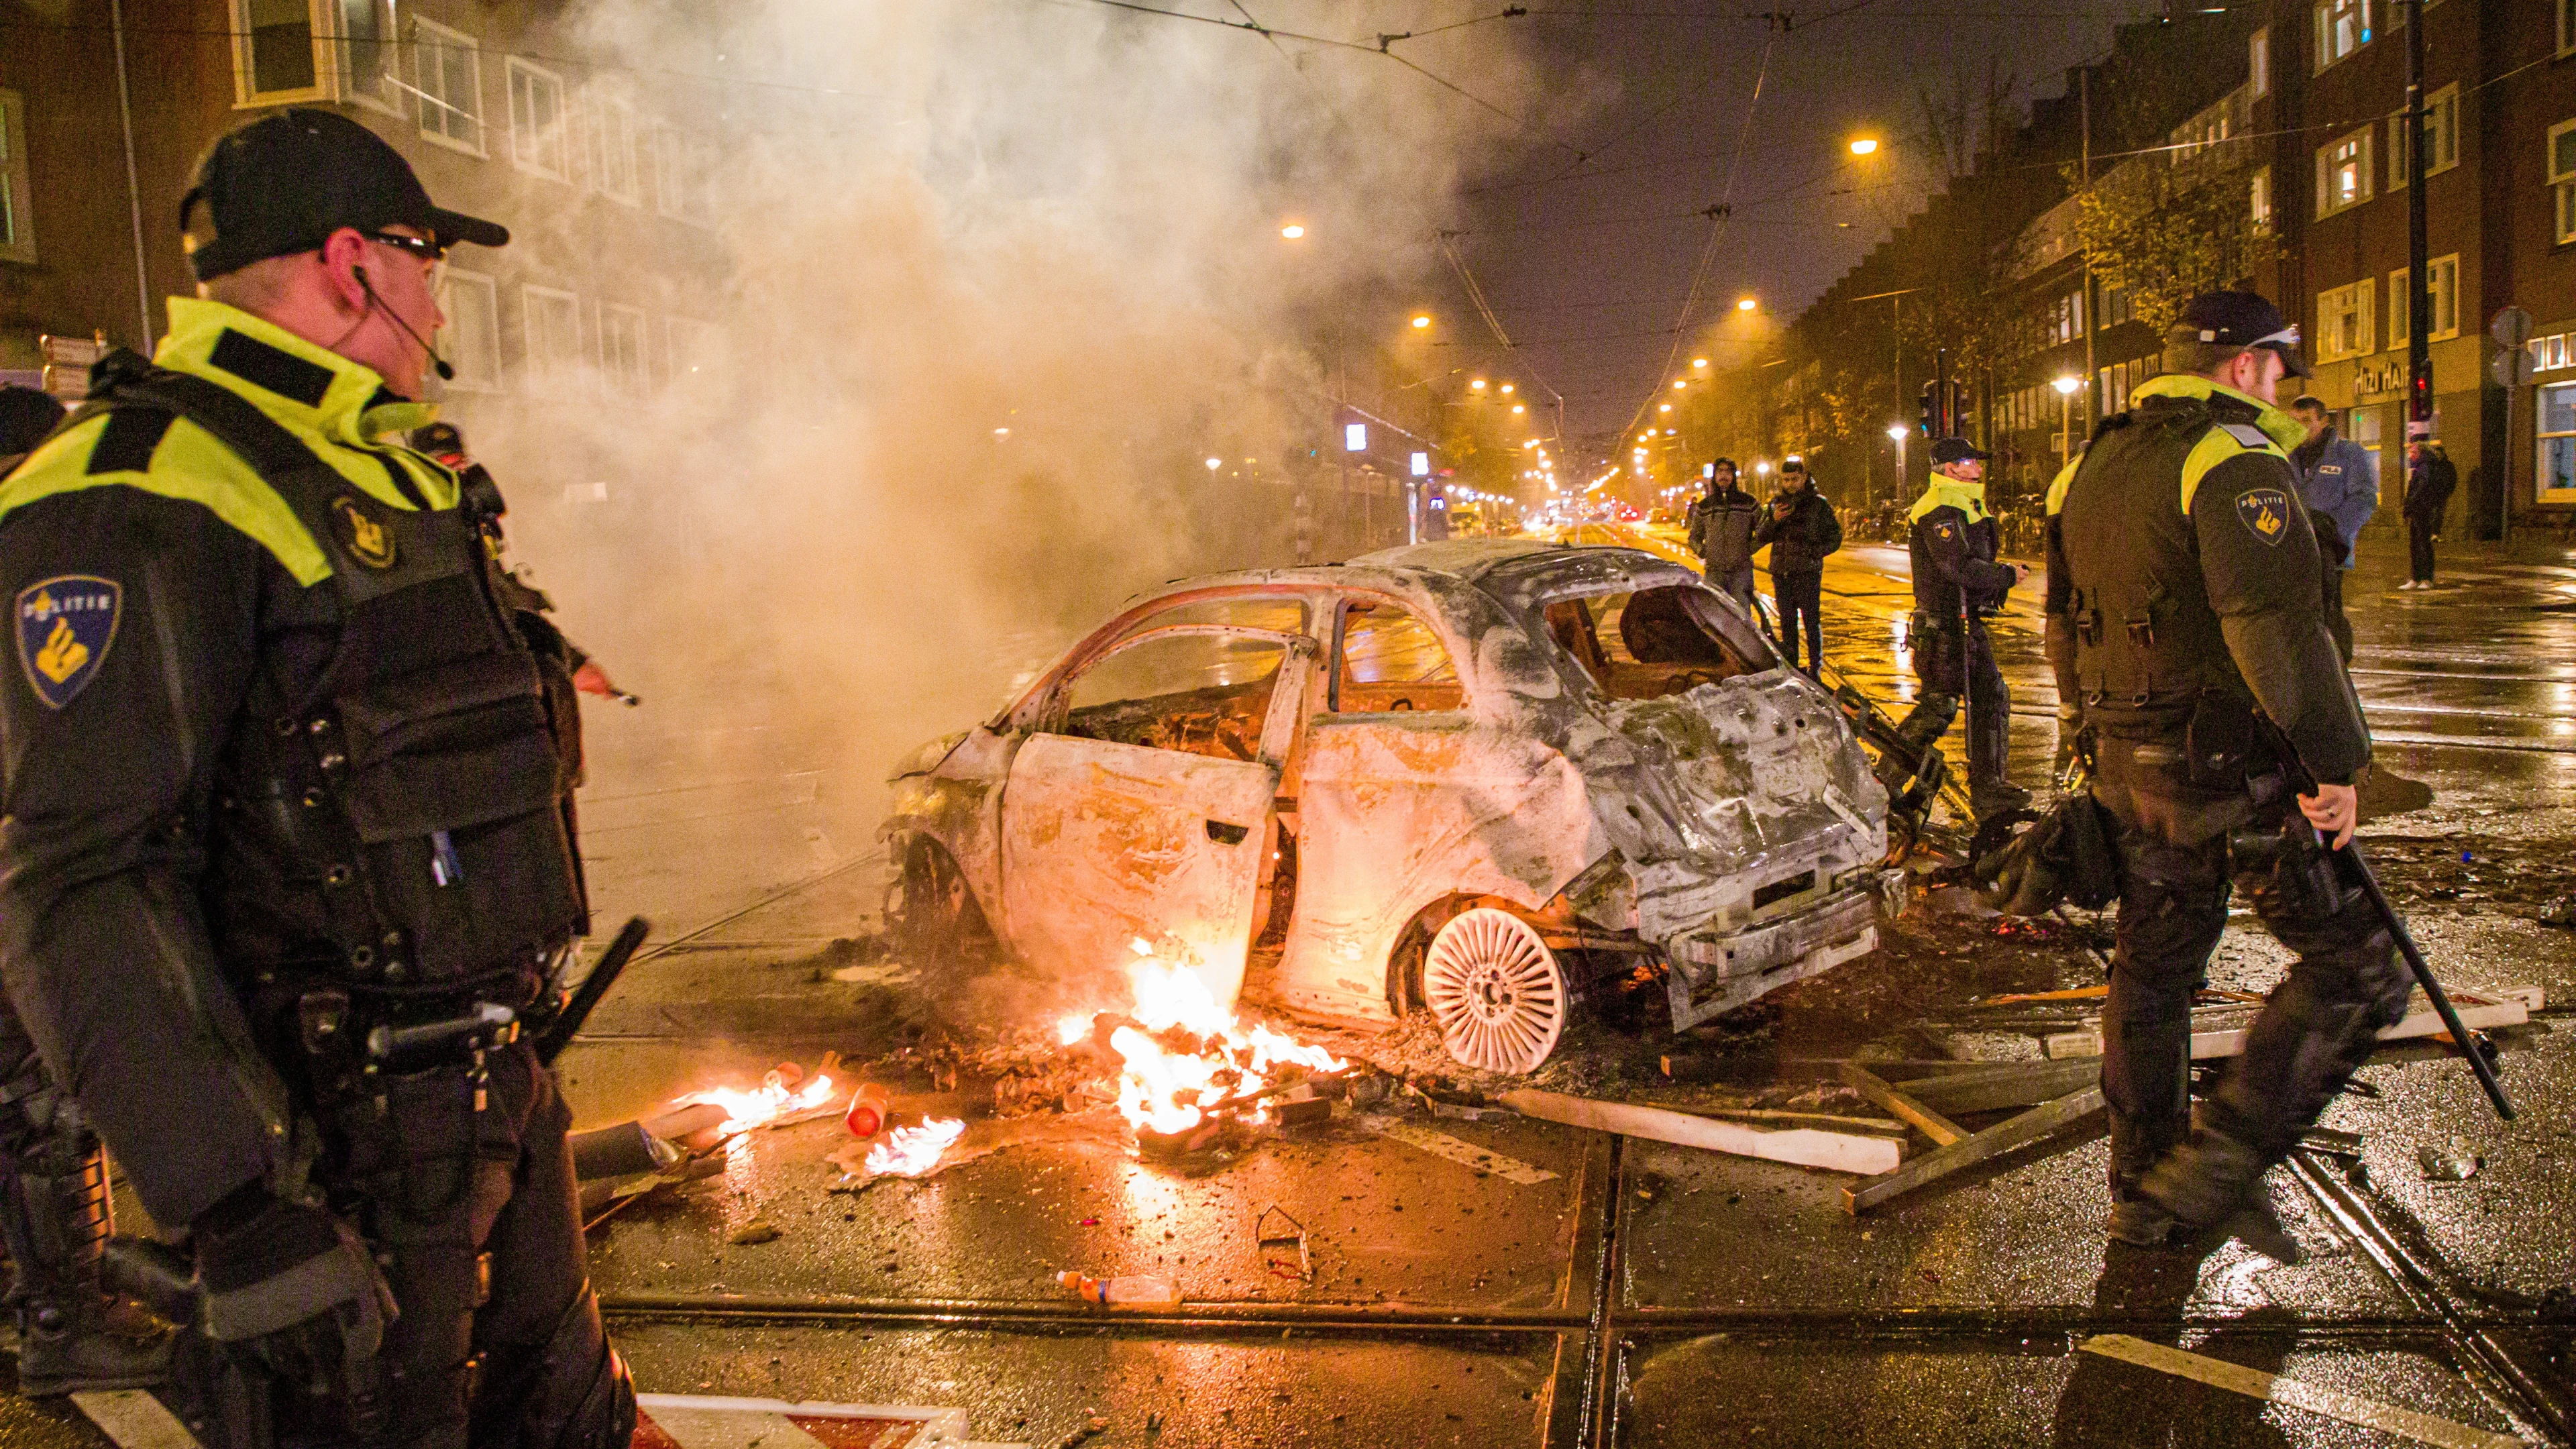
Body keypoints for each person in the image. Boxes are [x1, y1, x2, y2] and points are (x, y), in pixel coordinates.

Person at [0, 110, 632, 1446]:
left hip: (495, 1108)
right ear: (355, 266)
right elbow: (86, 880)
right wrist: (240, 1208)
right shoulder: (140, 489)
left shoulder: (387, 468)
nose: (437, 294)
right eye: (424, 260)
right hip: (329, 1162)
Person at [2047, 290, 2404, 1254]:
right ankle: (2212, 1174)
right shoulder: (2232, 458)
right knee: (2362, 971)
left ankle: (2143, 1186)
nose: (2285, 385)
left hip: (2133, 770)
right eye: (2281, 366)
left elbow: (2058, 627)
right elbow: (2276, 632)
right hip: (2229, 777)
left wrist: (2093, 739)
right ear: (2245, 365)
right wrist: (2337, 765)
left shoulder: (2090, 464)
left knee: (2155, 968)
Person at [1885, 437, 2029, 818]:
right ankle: (1883, 781)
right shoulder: (1939, 508)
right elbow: (1957, 567)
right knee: (1940, 705)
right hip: (1946, 624)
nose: (1979, 467)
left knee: (1990, 698)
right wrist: (2007, 576)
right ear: (1950, 468)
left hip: (1963, 621)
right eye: (1970, 461)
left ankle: (1989, 787)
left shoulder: (1963, 501)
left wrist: (1999, 576)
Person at [1753, 455, 1839, 674]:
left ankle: (1815, 669)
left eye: (1794, 479)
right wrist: (1774, 519)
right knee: (1788, 623)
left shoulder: (1818, 504)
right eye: (1786, 480)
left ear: (1804, 478)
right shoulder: (1776, 504)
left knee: (1811, 622)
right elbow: (1761, 536)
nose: (1790, 484)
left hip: (1807, 572)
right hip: (1782, 573)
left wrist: (1816, 553)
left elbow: (1835, 536)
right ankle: (1792, 667)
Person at [2286, 396, 2375, 570]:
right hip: (2292, 556)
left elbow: (2364, 498)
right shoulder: (2286, 456)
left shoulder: (2348, 453)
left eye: (2306, 420)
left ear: (2324, 421)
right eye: (2294, 421)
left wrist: (2331, 530)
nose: (2298, 426)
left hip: (2330, 556)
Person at [1686, 456, 1760, 604]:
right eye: (1720, 471)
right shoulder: (1705, 506)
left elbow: (1763, 532)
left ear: (1733, 476)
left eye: (1728, 471)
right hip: (1714, 572)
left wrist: (1748, 550)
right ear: (1715, 475)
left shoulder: (1749, 503)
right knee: (1714, 614)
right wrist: (1704, 551)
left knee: (1741, 614)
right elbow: (1694, 537)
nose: (1724, 475)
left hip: (1741, 572)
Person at [2400, 438, 2457, 590]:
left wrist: (2411, 504)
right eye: (2410, 451)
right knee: (2415, 544)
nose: (2410, 454)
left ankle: (2426, 579)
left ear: (2420, 452)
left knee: (2423, 544)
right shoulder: (2420, 466)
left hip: (2423, 510)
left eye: (2413, 451)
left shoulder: (2426, 467)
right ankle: (2416, 578)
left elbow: (2421, 489)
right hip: (2417, 510)